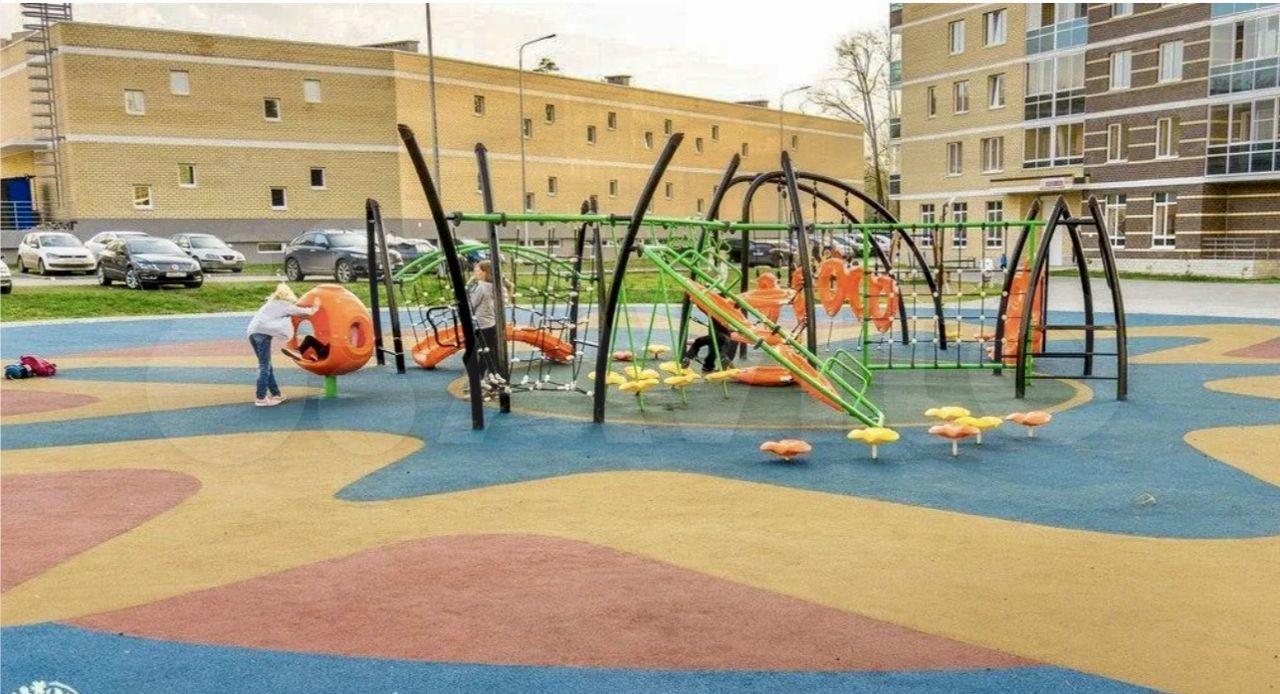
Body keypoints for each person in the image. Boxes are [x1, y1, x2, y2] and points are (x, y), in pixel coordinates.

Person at [246, 283, 316, 407]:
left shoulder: (270, 304)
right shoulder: (285, 305)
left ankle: (276, 394)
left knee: (266, 365)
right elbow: (303, 311)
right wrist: (315, 307)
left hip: (252, 333)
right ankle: (260, 398)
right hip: (263, 334)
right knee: (264, 366)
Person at [465, 260, 506, 396]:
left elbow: (471, 305)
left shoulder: (481, 287)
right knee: (487, 354)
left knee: (477, 355)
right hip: (491, 324)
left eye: (477, 270)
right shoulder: (496, 286)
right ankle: (486, 381)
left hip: (481, 325)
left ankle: (478, 383)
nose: (474, 272)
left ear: (484, 272)